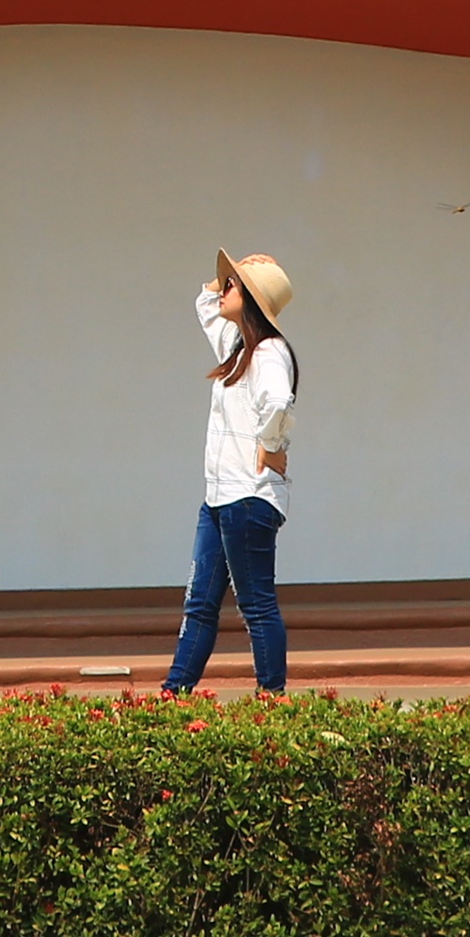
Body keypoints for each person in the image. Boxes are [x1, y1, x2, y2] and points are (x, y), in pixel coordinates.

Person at [163, 248, 298, 696]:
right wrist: (231, 270)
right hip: (220, 498)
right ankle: (172, 695)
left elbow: (278, 402)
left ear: (254, 301)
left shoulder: (270, 352)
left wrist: (270, 447)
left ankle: (272, 698)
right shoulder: (237, 345)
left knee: (255, 604)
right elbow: (205, 306)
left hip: (249, 497)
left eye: (233, 285)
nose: (223, 290)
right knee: (199, 604)